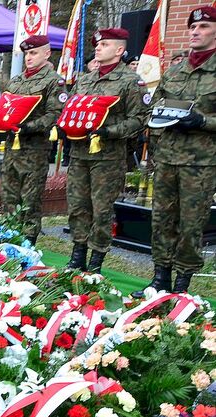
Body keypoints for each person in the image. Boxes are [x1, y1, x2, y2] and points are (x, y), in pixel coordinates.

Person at [135, 7, 216, 296]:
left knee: (190, 225)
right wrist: (156, 142)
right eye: (193, 27)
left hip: (200, 163)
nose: (196, 31)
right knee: (161, 220)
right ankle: (160, 280)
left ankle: (182, 286)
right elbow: (155, 107)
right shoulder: (176, 70)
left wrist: (203, 121)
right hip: (168, 158)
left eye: (204, 26)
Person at [65, 28, 150, 273]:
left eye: (104, 44)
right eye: (97, 44)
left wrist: (109, 131)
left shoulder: (131, 81)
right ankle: (77, 255)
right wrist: (64, 126)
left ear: (119, 50)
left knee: (101, 209)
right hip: (80, 152)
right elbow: (72, 108)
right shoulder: (85, 78)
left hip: (108, 157)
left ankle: (96, 261)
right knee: (78, 206)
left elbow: (140, 118)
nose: (98, 48)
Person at [0, 35, 67, 244]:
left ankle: (28, 244)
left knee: (29, 200)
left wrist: (28, 127)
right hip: (12, 148)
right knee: (9, 196)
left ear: (47, 53)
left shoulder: (53, 81)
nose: (29, 57)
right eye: (27, 53)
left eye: (34, 52)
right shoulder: (17, 80)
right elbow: (5, 108)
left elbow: (55, 114)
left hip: (34, 150)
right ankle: (9, 241)